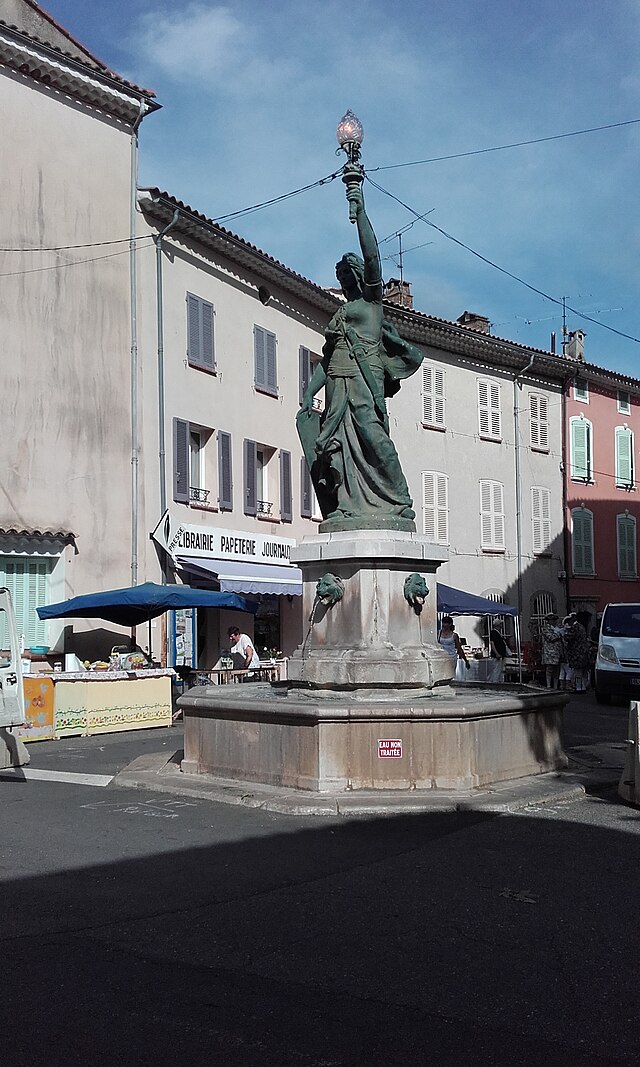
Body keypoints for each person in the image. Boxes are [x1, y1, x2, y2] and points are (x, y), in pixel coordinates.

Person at [297, 171, 422, 531]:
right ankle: (347, 506)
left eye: (347, 274)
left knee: (372, 436)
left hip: (364, 382)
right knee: (336, 447)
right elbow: (327, 358)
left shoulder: (371, 305)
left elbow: (373, 256)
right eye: (340, 276)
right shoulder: (338, 315)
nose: (343, 280)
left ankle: (398, 499)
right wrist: (309, 392)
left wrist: (360, 208)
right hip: (338, 383)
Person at [564, 613, 591, 693]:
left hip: (576, 652)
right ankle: (583, 687)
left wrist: (564, 634)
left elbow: (568, 637)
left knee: (577, 671)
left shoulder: (575, 627)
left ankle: (579, 688)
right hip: (583, 651)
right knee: (583, 671)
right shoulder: (582, 626)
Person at [438, 616, 470, 681]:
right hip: (441, 657)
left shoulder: (454, 635)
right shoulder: (439, 633)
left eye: (446, 623)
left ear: (450, 624)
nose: (444, 625)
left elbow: (459, 648)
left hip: (451, 657)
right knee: (440, 675)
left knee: (449, 675)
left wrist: (465, 660)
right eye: (443, 623)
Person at [540, 611, 563, 689]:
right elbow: (551, 638)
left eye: (554, 620)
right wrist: (559, 634)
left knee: (557, 670)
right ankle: (549, 685)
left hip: (557, 651)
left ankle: (556, 686)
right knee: (549, 669)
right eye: (552, 620)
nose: (554, 621)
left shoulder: (557, 628)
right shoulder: (546, 628)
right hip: (549, 652)